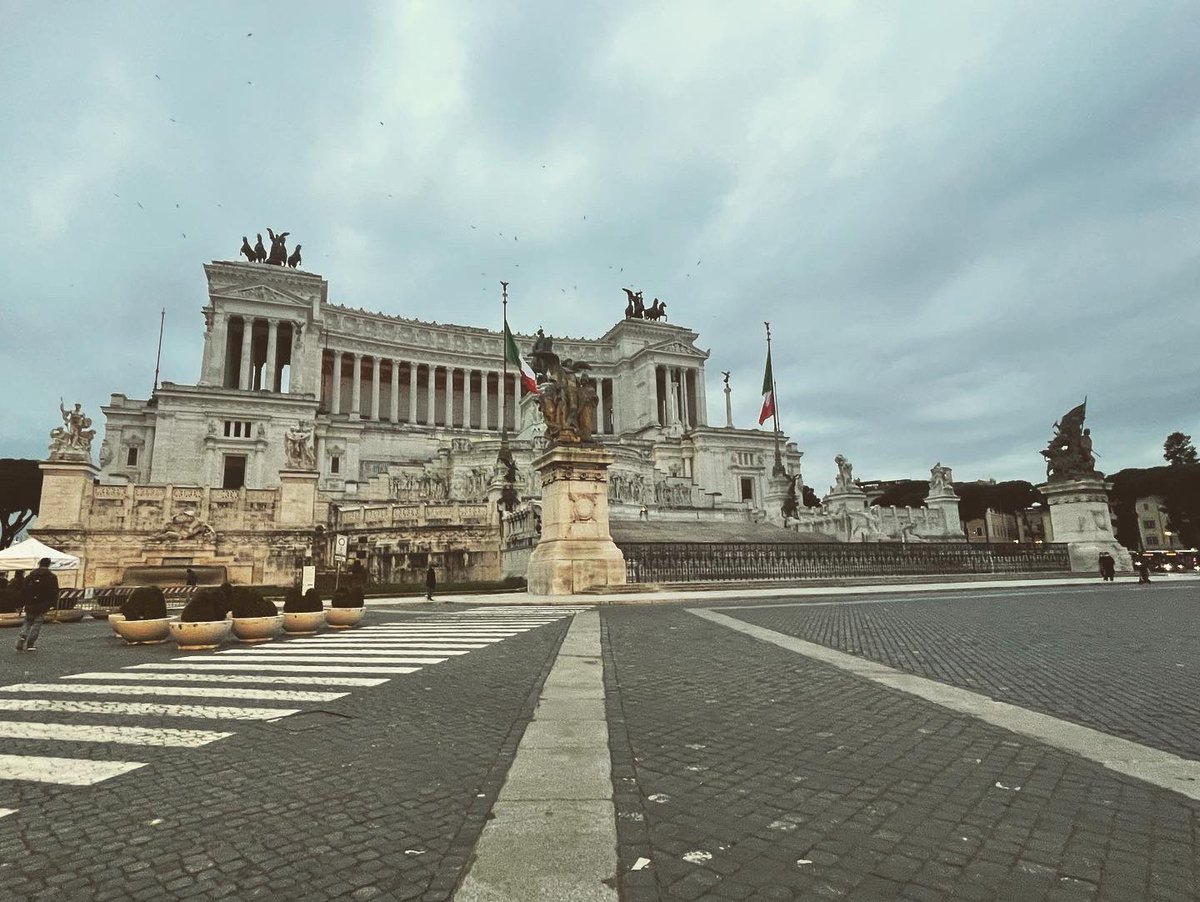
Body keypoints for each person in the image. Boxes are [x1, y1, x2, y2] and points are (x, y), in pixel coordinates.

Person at [16, 558, 59, 652]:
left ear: (39, 564)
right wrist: (52, 604)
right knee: (37, 624)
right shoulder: (51, 577)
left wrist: (21, 604)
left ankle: (23, 636)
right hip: (42, 604)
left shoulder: (31, 576)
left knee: (27, 621)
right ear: (49, 565)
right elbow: (54, 592)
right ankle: (30, 644)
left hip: (30, 603)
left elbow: (23, 590)